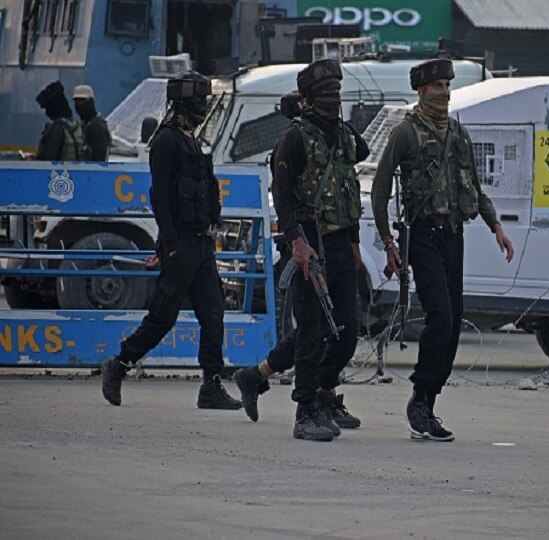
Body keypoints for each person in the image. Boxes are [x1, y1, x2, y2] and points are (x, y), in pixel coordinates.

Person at [371, 59, 514, 442]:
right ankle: (419, 397)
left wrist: (496, 225)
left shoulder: (458, 132)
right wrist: (388, 241)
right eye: (436, 86)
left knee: (452, 327)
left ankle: (429, 403)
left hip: (453, 235)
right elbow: (381, 188)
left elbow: (475, 187)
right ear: (421, 90)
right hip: (422, 236)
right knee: (442, 317)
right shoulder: (405, 133)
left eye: (447, 85)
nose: (444, 92)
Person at [101, 71, 241, 410]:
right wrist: (169, 244)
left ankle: (210, 385)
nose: (203, 108)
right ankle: (119, 365)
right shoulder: (166, 142)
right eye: (199, 102)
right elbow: (160, 198)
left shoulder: (191, 138)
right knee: (163, 316)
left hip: (201, 243)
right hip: (181, 244)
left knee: (213, 313)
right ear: (182, 103)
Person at [234, 89, 365, 428]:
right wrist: (297, 241)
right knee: (313, 328)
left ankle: (261, 376)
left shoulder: (338, 140)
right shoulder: (292, 142)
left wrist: (354, 242)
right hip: (306, 242)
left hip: (337, 241)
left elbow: (355, 167)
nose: (332, 110)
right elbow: (282, 194)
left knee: (343, 329)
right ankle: (309, 404)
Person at [35, 81, 85, 161]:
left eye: (47, 108)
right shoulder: (77, 126)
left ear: (54, 107)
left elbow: (47, 160)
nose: (47, 112)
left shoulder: (57, 128)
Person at [73, 84, 112, 161]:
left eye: (83, 100)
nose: (79, 104)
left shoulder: (96, 126)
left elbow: (99, 158)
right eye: (76, 101)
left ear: (91, 102)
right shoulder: (85, 124)